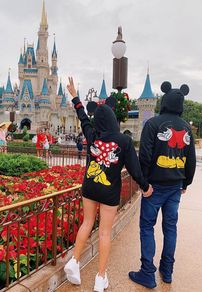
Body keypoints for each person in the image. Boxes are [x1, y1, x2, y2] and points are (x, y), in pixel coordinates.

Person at [64, 77, 153, 291]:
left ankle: (74, 263)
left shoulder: (92, 135)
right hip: (109, 192)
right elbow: (134, 168)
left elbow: (83, 116)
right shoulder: (124, 141)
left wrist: (75, 96)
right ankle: (100, 278)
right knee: (104, 232)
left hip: (90, 187)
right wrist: (145, 186)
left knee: (86, 223)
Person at [129, 81, 196, 289]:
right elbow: (191, 159)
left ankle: (147, 273)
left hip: (154, 188)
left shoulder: (153, 124)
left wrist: (144, 183)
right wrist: (186, 182)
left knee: (147, 227)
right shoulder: (186, 128)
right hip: (175, 187)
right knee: (170, 228)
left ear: (164, 101)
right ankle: (167, 271)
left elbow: (145, 156)